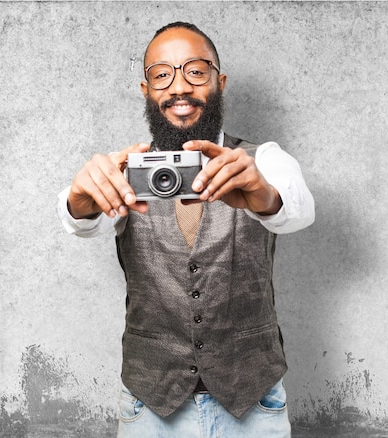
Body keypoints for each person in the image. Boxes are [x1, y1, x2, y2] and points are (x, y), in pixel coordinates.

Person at [57, 21, 315, 438]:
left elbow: (300, 209)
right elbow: (79, 222)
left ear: (219, 81)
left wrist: (261, 193)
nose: (179, 87)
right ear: (147, 90)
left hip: (252, 401)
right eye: (162, 75)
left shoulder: (262, 159)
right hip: (150, 403)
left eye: (195, 71)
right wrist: (79, 200)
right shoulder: (122, 171)